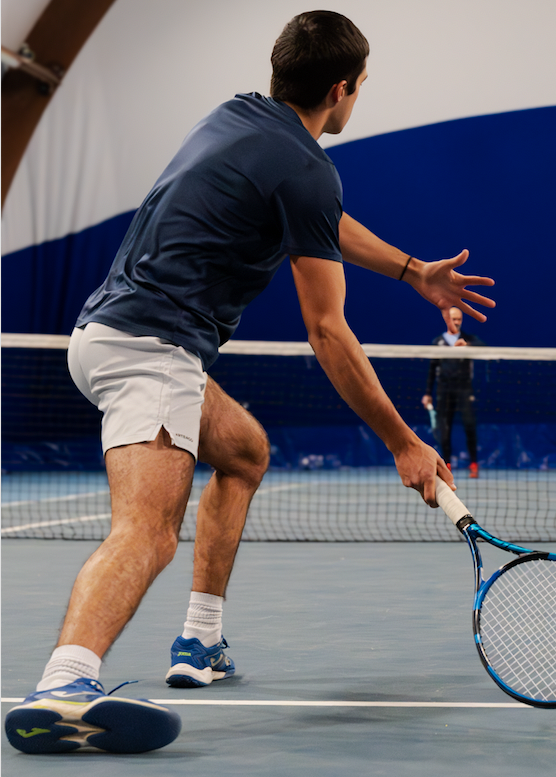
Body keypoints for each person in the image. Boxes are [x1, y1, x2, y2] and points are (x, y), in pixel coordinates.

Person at [5, 11, 495, 755]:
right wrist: (404, 442)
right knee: (148, 530)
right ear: (340, 89)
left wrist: (410, 269)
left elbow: (318, 220)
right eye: (361, 88)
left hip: (109, 333)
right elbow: (328, 331)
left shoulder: (239, 117)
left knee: (244, 449)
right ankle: (64, 685)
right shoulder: (307, 170)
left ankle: (201, 640)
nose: (358, 98)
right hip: (154, 346)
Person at [422, 307, 485, 478]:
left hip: (464, 390)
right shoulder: (438, 342)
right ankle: (446, 465)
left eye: (459, 319)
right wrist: (428, 393)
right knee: (445, 429)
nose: (456, 322)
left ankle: (473, 464)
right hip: (444, 390)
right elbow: (432, 368)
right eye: (453, 319)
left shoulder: (469, 339)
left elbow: (483, 348)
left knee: (470, 426)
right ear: (447, 320)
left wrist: (468, 346)